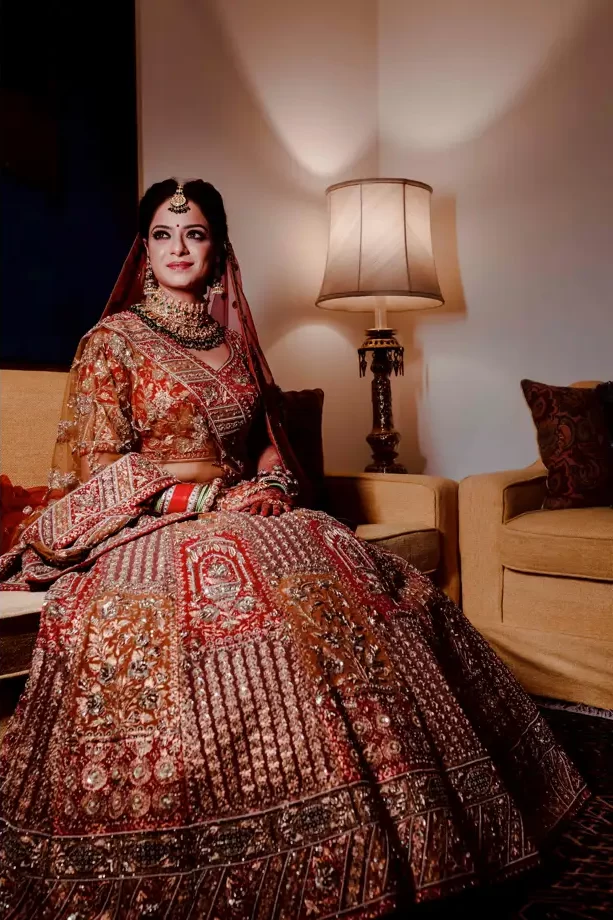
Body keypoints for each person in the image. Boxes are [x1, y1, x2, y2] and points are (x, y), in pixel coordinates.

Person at [0, 180, 587, 919]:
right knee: (250, 585)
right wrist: (208, 499)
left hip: (249, 510)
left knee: (354, 566)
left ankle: (417, 817)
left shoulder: (232, 343)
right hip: (145, 526)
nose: (179, 248)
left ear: (217, 248)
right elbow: (104, 474)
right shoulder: (111, 342)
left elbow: (265, 447)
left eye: (196, 234)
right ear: (143, 249)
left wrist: (272, 483)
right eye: (162, 234)